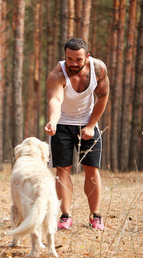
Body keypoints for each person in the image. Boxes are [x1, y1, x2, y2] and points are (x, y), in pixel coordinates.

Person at [44, 37, 109, 231]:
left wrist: (91, 125)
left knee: (92, 169)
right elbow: (56, 99)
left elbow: (102, 97)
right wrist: (53, 122)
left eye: (78, 59)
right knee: (62, 170)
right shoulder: (57, 74)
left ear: (87, 57)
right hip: (62, 124)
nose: (73, 63)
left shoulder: (98, 69)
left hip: (88, 123)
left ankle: (95, 216)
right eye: (69, 58)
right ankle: (65, 216)